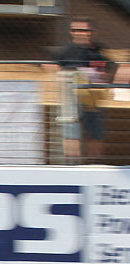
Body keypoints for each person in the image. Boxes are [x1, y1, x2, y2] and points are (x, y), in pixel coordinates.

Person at [55, 17, 115, 164]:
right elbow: (51, 66)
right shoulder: (66, 51)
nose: (79, 33)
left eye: (84, 30)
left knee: (95, 132)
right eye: (75, 30)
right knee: (71, 131)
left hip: (92, 97)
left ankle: (94, 163)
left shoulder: (98, 50)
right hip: (71, 97)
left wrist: (103, 77)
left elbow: (109, 69)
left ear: (92, 32)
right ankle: (71, 164)